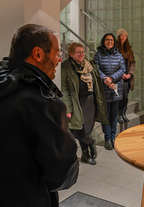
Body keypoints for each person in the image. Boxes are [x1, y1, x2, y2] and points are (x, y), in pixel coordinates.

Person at [0, 24, 79, 207]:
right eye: (57, 54)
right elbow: (61, 175)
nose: (59, 60)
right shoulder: (44, 103)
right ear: (38, 54)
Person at [61, 42, 109, 165]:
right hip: (77, 102)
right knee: (78, 130)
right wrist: (68, 108)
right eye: (78, 52)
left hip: (90, 101)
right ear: (71, 54)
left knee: (87, 128)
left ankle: (85, 154)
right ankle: (91, 143)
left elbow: (96, 84)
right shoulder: (66, 67)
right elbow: (64, 89)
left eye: (83, 52)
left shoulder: (89, 65)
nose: (81, 54)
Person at [94, 33, 125, 150]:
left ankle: (113, 136)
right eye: (107, 40)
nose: (109, 42)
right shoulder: (98, 55)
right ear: (103, 41)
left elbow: (122, 69)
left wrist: (111, 78)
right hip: (104, 89)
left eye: (111, 40)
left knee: (114, 115)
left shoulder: (119, 55)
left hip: (116, 88)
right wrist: (105, 79)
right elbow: (96, 68)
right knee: (105, 115)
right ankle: (107, 138)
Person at [116, 28, 136, 123]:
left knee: (126, 97)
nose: (123, 37)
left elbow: (133, 62)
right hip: (119, 77)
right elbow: (114, 63)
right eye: (121, 35)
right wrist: (121, 73)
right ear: (118, 37)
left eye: (125, 36)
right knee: (120, 96)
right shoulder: (115, 48)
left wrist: (130, 73)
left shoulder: (128, 49)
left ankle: (124, 113)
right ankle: (118, 114)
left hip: (128, 77)